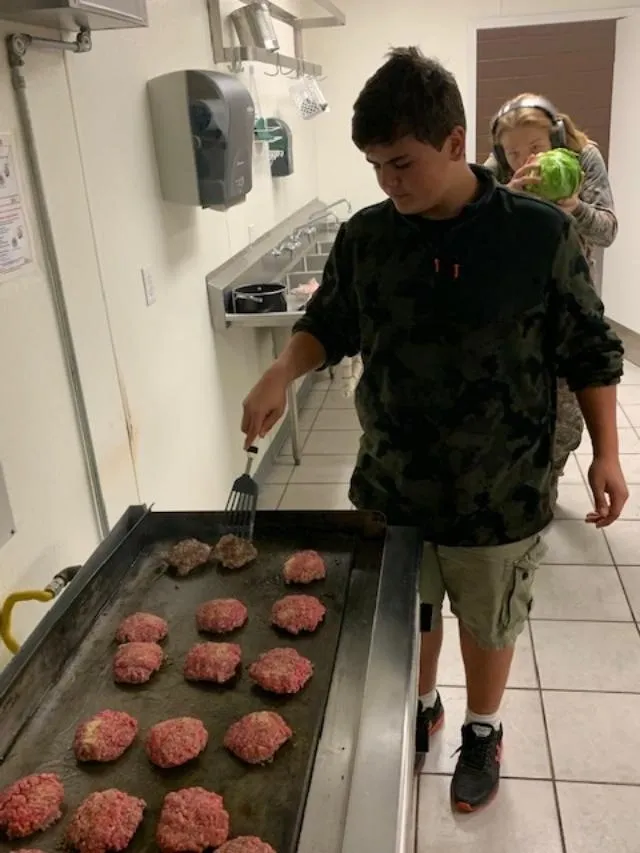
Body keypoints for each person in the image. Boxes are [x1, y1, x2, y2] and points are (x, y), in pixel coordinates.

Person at [241, 47, 628, 813]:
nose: (388, 182)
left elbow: (590, 347)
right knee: (403, 612)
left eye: (402, 163)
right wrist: (282, 370)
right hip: (396, 479)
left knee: (488, 618)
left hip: (502, 482)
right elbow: (330, 322)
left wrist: (608, 453)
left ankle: (482, 729)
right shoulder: (369, 238)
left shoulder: (536, 234)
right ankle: (418, 705)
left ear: (454, 143)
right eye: (376, 165)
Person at [485, 94, 618, 508]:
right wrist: (505, 196)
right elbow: (474, 226)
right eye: (513, 153)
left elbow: (607, 231)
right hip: (516, 310)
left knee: (563, 421)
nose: (525, 160)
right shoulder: (498, 168)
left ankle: (550, 483)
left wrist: (573, 205)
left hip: (569, 310)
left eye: (537, 149)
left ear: (557, 140)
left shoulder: (584, 158)